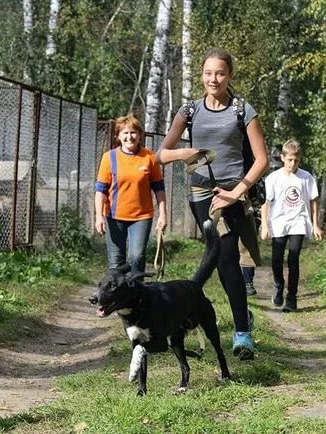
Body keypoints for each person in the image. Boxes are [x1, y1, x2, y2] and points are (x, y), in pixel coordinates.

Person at [156, 48, 269, 360]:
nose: (214, 79)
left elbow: (262, 159)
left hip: (231, 192)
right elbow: (161, 155)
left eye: (220, 73)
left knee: (227, 259)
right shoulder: (190, 111)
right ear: (201, 75)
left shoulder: (241, 110)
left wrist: (238, 191)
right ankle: (237, 321)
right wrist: (187, 153)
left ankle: (242, 334)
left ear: (229, 75)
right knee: (219, 258)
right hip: (200, 195)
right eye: (208, 73)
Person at [95, 115, 167, 272]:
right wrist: (99, 217)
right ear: (118, 136)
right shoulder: (109, 157)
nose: (129, 137)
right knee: (116, 263)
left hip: (141, 217)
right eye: (125, 133)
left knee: (136, 257)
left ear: (140, 135)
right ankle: (118, 296)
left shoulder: (149, 157)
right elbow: (100, 190)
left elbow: (159, 188)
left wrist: (163, 215)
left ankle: (137, 294)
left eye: (133, 132)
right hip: (114, 217)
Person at [261, 139, 323, 312]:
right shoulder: (273, 178)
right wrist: (265, 226)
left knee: (293, 258)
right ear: (282, 158)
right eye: (289, 160)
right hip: (279, 221)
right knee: (276, 259)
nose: (292, 163)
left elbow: (313, 202)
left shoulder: (306, 177)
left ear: (299, 159)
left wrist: (315, 225)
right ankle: (279, 284)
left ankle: (291, 298)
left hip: (299, 221)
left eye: (296, 160)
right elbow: (266, 203)